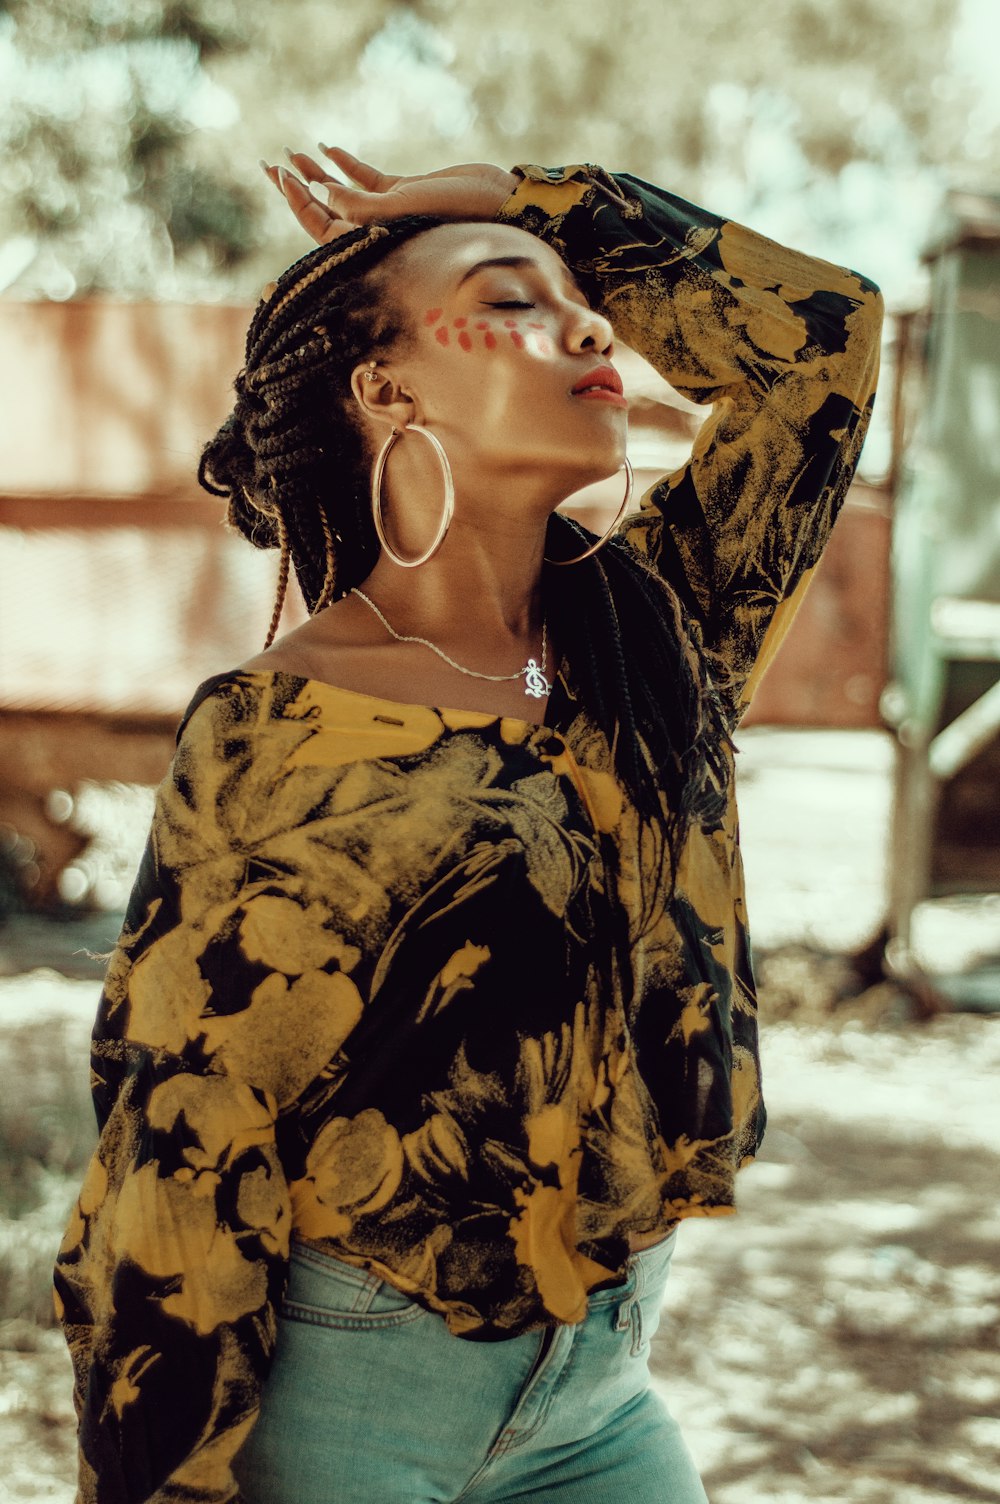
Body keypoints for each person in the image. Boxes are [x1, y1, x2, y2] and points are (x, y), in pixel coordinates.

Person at [54, 146, 883, 1504]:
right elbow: (182, 1146)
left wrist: (529, 202)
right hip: (351, 1407)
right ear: (385, 386)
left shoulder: (655, 635)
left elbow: (825, 343)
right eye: (510, 302)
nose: (592, 326)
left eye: (584, 305)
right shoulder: (276, 729)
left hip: (602, 1397)